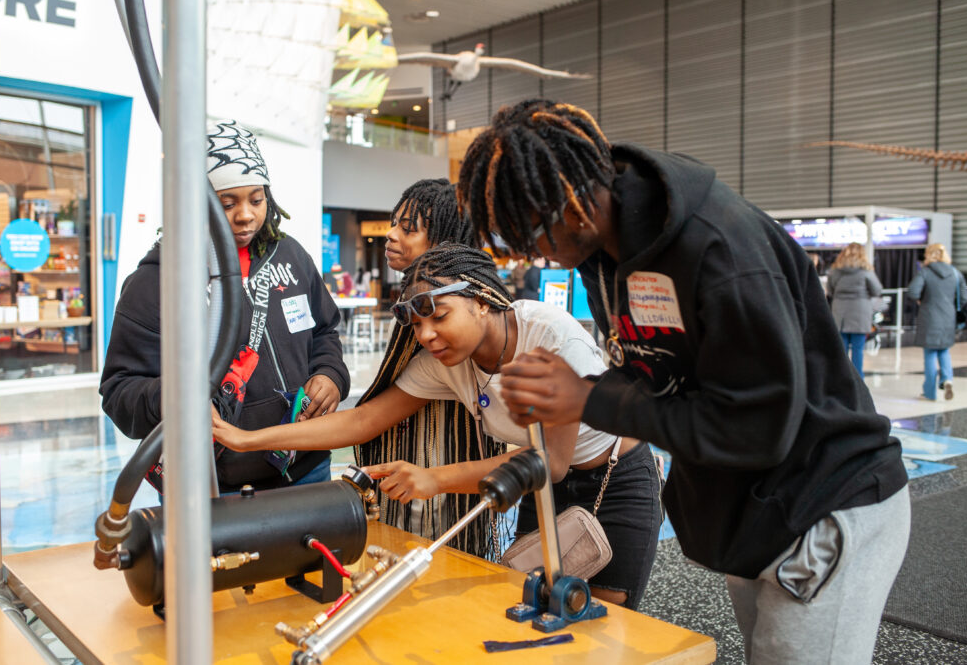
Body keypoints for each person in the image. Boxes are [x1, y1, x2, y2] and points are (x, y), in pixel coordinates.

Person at [457, 99, 908, 663]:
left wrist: (588, 398)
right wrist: (569, 392)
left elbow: (757, 426)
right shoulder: (606, 256)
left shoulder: (722, 252)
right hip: (755, 512)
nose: (531, 255)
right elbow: (657, 374)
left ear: (572, 206)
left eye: (530, 235)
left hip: (824, 501)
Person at [214, 243, 663, 608]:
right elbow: (364, 420)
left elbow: (552, 461)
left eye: (440, 316)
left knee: (605, 630)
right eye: (418, 324)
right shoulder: (446, 362)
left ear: (483, 300)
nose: (427, 335)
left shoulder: (550, 339)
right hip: (541, 493)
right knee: (537, 611)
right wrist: (248, 440)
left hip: (615, 483)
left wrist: (434, 479)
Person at [100, 121, 349, 493]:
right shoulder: (157, 283)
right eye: (226, 203)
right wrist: (174, 399)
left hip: (306, 468)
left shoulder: (292, 256)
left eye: (256, 198)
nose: (245, 215)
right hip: (211, 485)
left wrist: (330, 374)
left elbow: (324, 331)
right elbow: (119, 391)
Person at [363, 178, 505, 556]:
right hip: (409, 480)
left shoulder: (480, 323)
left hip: (450, 479)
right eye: (393, 223)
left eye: (408, 228)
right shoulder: (417, 304)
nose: (390, 235)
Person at [907, 243, 967, 401]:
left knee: (930, 354)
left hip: (929, 316)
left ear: (929, 254)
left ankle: (929, 392)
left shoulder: (925, 272)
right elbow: (964, 297)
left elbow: (912, 291)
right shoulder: (955, 273)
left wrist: (922, 300)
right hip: (948, 317)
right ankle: (947, 379)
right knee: (944, 350)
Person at [826, 242, 882, 378]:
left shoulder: (835, 271)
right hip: (860, 312)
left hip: (840, 313)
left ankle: (842, 379)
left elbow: (830, 290)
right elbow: (877, 290)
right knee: (858, 350)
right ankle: (858, 381)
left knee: (841, 350)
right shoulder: (866, 271)